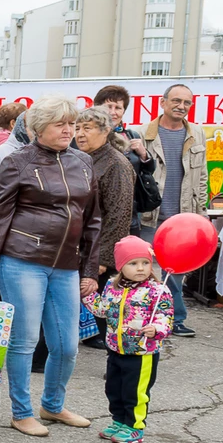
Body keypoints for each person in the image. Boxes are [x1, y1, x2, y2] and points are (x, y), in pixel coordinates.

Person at [0, 96, 101, 438]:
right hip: (20, 260)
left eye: (72, 123)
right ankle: (21, 412)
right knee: (25, 340)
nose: (69, 130)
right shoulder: (17, 161)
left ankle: (53, 406)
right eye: (60, 124)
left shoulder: (83, 161)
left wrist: (90, 269)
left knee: (67, 345)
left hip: (67, 264)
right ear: (39, 128)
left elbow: (92, 219)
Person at [88, 236, 173, 443]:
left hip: (142, 352)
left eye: (145, 262)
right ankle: (119, 420)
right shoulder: (112, 286)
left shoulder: (157, 289)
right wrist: (88, 296)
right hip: (115, 348)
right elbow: (103, 310)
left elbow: (165, 315)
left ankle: (134, 426)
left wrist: (157, 329)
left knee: (135, 392)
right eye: (133, 263)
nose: (141, 268)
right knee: (114, 388)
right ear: (120, 266)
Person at [139, 83, 206, 338]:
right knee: (144, 268)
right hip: (150, 215)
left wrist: (201, 214)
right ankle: (143, 319)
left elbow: (202, 176)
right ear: (163, 102)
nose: (181, 106)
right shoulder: (143, 133)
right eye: (176, 101)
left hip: (183, 216)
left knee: (176, 271)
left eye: (187, 103)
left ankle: (175, 319)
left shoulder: (196, 133)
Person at [75, 105, 136, 348]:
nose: (80, 134)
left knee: (103, 307)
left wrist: (103, 259)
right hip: (80, 246)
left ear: (105, 131)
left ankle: (117, 352)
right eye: (77, 128)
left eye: (87, 128)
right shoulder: (82, 158)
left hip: (100, 249)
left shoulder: (115, 164)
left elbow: (120, 214)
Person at [93, 85, 154, 237]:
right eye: (108, 107)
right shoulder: (87, 136)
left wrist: (144, 155)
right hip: (97, 213)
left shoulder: (132, 135)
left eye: (118, 108)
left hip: (130, 213)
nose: (113, 112)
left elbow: (147, 171)